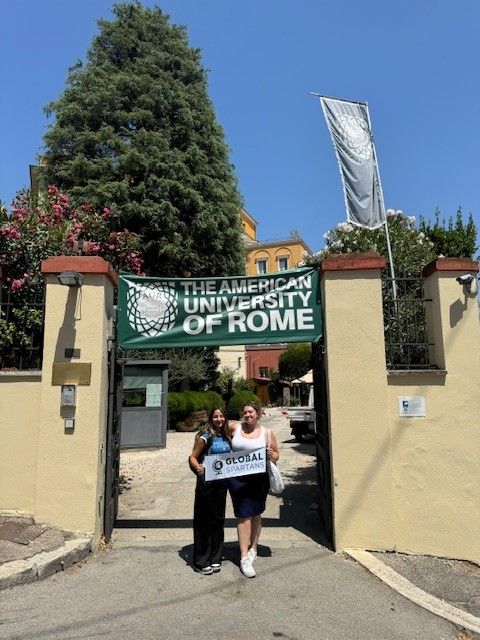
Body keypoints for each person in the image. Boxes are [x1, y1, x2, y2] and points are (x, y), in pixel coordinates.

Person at [228, 403, 279, 578]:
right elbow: (217, 431)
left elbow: (276, 455)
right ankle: (243, 557)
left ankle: (254, 548)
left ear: (258, 414)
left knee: (256, 513)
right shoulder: (235, 427)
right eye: (245, 412)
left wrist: (271, 454)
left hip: (258, 480)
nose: (248, 414)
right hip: (237, 479)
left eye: (251, 412)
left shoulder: (267, 433)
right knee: (244, 516)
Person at [188, 406, 231, 575]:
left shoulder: (227, 436)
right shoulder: (205, 437)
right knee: (203, 520)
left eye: (221, 416)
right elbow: (192, 456)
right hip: (207, 484)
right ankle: (200, 560)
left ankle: (215, 557)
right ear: (211, 419)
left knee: (218, 520)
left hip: (221, 484)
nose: (219, 419)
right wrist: (198, 467)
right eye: (215, 416)